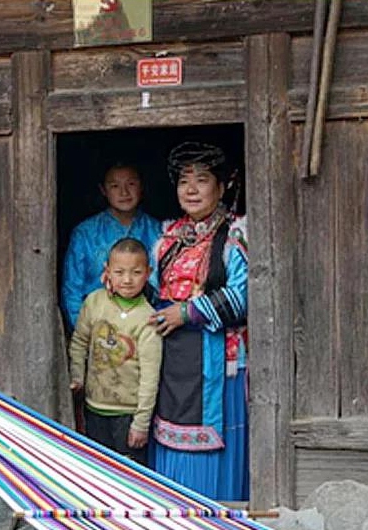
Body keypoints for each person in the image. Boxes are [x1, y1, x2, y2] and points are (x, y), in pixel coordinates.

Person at [148, 142, 249, 500]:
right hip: (173, 360)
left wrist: (186, 312)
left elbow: (244, 295)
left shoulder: (236, 235)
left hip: (216, 362)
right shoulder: (166, 238)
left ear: (221, 188)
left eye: (202, 180)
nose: (191, 190)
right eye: (184, 182)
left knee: (212, 451)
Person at [69, 238, 163, 465]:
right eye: (119, 272)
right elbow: (80, 342)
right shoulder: (94, 302)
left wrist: (141, 423)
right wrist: (77, 377)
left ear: (149, 272)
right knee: (95, 467)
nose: (127, 280)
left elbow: (150, 377)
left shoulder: (148, 318)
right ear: (107, 271)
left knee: (129, 473)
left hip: (128, 414)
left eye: (136, 272)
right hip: (94, 408)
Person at [62, 164, 161, 329]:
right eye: (115, 186)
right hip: (98, 327)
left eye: (131, 184)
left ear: (141, 186)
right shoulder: (85, 233)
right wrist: (85, 333)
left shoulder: (159, 231)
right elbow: (72, 290)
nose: (124, 192)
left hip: (148, 327)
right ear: (103, 190)